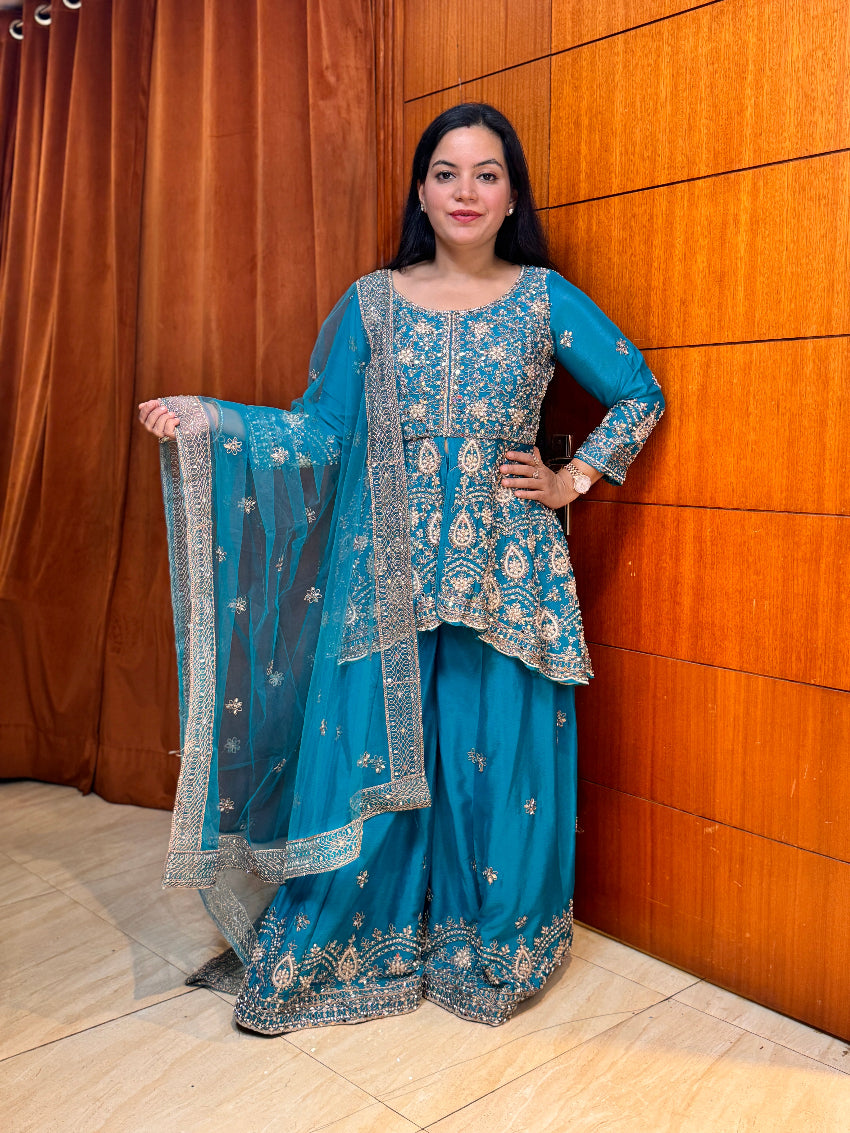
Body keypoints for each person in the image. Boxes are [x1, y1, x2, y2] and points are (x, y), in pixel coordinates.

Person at [138, 103, 664, 1034]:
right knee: (378, 759)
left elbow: (638, 392)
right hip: (387, 569)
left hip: (509, 569)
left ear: (511, 197)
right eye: (447, 173)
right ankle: (367, 933)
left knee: (496, 760)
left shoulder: (546, 299)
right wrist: (211, 420)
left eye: (487, 174)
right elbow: (319, 430)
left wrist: (572, 476)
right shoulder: (370, 304)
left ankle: (488, 942)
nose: (466, 191)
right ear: (421, 191)